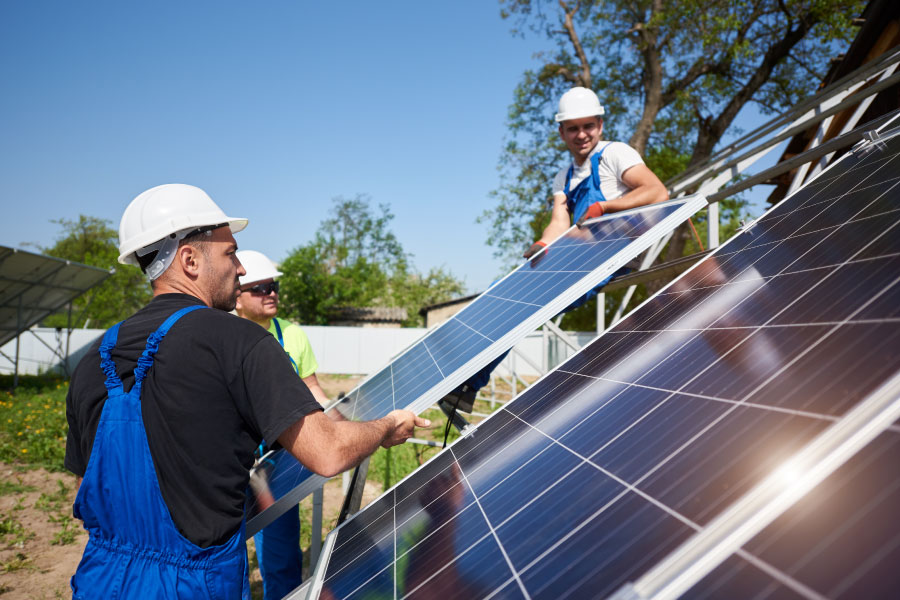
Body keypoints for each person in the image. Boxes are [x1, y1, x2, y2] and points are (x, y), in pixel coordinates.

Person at [65, 183, 428, 599]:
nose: (240, 269)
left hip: (102, 577)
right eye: (230, 252)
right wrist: (387, 426)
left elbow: (86, 489)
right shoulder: (239, 342)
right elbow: (327, 452)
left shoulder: (95, 358)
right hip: (194, 585)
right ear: (189, 259)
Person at [443, 87, 669, 413]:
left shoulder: (615, 154)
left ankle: (466, 384)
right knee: (503, 291)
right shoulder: (563, 177)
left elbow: (656, 191)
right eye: (573, 128)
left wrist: (607, 207)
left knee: (527, 304)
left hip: (610, 257)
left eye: (588, 126)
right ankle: (462, 381)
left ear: (600, 125)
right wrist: (542, 245)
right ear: (561, 131)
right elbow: (559, 223)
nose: (581, 135)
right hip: (574, 256)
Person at [233, 249, 330, 600]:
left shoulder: (291, 334)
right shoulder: (221, 334)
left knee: (280, 545)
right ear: (237, 296)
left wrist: (340, 423)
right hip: (229, 458)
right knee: (226, 553)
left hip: (274, 459)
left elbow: (312, 388)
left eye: (273, 286)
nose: (271, 293)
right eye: (259, 288)